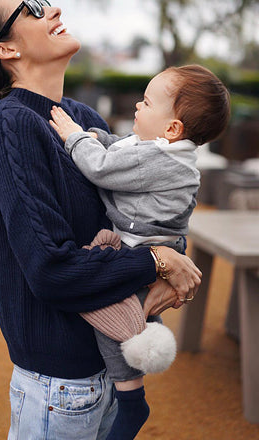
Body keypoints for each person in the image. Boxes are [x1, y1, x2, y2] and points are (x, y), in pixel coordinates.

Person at [0, 0, 202, 440]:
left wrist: (169, 255)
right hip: (61, 385)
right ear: (5, 49)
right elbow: (51, 269)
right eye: (31, 8)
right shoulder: (12, 126)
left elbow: (138, 213)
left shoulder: (80, 117)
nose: (53, 9)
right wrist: (158, 261)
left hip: (108, 369)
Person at [49, 64, 230, 439]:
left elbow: (101, 166)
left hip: (145, 248)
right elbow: (121, 144)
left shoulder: (163, 161)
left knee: (111, 317)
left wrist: (74, 137)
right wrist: (97, 134)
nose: (136, 105)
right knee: (134, 312)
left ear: (172, 129)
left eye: (146, 103)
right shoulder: (163, 150)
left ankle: (131, 399)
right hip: (147, 244)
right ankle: (144, 331)